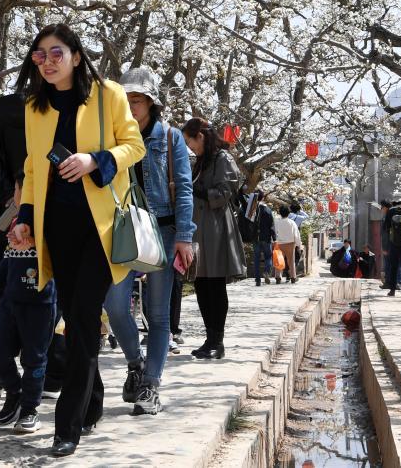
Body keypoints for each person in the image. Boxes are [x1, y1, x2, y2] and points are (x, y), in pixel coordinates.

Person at [8, 23, 145, 458]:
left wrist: (95, 160)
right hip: (58, 231)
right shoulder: (34, 106)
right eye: (40, 55)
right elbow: (32, 168)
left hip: (101, 230)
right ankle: (94, 400)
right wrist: (25, 217)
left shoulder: (109, 94)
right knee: (76, 316)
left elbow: (134, 145)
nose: (47, 62)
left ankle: (66, 426)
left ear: (76, 56)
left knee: (83, 315)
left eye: (56, 53)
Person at [103, 66, 195, 416]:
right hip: (122, 229)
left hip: (164, 231)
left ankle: (150, 386)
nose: (131, 106)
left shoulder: (170, 139)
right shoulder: (110, 137)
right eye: (125, 100)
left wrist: (185, 238)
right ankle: (135, 365)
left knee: (158, 316)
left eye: (138, 100)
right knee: (114, 305)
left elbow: (184, 189)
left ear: (152, 103)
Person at [0, 67, 66, 400]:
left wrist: (9, 193)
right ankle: (51, 373)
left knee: (1, 289)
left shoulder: (0, 108)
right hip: (54, 210)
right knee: (52, 292)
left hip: (10, 211)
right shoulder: (62, 110)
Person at [0, 178, 54, 434]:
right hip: (9, 301)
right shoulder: (14, 223)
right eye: (16, 189)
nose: (16, 194)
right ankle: (15, 392)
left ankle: (30, 409)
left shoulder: (48, 220)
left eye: (20, 189)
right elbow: (8, 260)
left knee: (34, 358)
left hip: (39, 304)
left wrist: (39, 243)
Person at [182, 118, 246, 359]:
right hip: (199, 228)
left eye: (191, 142)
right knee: (200, 284)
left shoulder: (222, 159)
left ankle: (217, 342)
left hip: (217, 228)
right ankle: (209, 338)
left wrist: (194, 189)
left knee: (215, 286)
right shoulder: (199, 162)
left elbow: (223, 193)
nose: (190, 147)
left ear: (201, 136)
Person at [252, 196, 276, 286]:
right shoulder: (268, 210)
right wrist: (274, 238)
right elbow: (272, 226)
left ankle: (257, 280)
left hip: (256, 238)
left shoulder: (253, 210)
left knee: (256, 259)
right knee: (268, 257)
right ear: (263, 198)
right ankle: (266, 272)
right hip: (266, 238)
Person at [274, 205, 299, 284]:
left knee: (279, 260)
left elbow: (275, 233)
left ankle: (278, 277)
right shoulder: (292, 222)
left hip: (280, 243)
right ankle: (293, 277)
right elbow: (296, 234)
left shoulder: (277, 222)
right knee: (291, 261)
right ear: (289, 213)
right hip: (290, 243)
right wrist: (298, 244)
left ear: (280, 213)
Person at [378, 200, 393, 290]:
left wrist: (384, 247)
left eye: (382, 207)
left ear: (386, 207)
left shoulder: (387, 217)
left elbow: (385, 235)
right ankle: (396, 282)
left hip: (388, 246)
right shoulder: (394, 216)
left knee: (388, 264)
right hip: (396, 245)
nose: (381, 209)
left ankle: (388, 283)